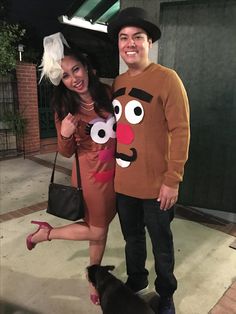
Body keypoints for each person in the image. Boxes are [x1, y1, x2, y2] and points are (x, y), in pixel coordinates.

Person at [107, 7, 190, 314]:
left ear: (149, 42)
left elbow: (181, 130)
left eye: (137, 37)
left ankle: (165, 293)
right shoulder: (117, 83)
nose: (130, 43)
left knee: (162, 246)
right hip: (124, 184)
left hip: (158, 187)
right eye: (123, 37)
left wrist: (172, 179)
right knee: (132, 240)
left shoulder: (168, 79)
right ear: (118, 43)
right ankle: (137, 280)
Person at [26, 32, 116, 305]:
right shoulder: (65, 106)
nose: (74, 78)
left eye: (75, 69)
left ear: (86, 66)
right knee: (97, 230)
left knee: (99, 228)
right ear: (61, 81)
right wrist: (64, 134)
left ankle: (93, 277)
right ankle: (47, 234)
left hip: (115, 173)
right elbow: (66, 153)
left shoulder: (107, 94)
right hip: (91, 176)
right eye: (65, 75)